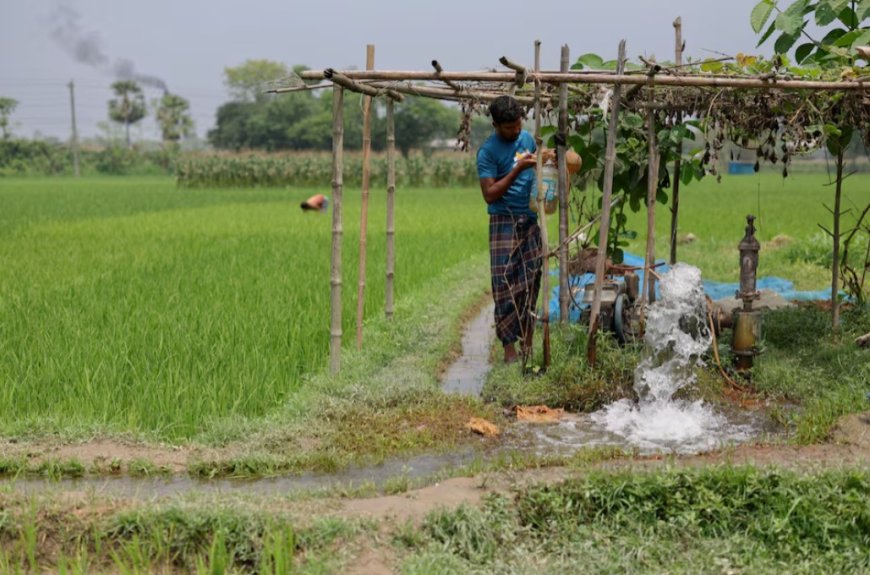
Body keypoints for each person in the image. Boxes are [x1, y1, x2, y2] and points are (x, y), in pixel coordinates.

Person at [477, 95, 542, 364]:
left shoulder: (527, 140)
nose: (515, 131)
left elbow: (539, 168)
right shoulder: (487, 152)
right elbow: (490, 194)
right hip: (503, 220)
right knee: (504, 283)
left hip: (529, 218)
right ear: (495, 124)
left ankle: (528, 343)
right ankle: (509, 349)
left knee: (530, 280)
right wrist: (518, 169)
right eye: (509, 127)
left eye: (517, 125)